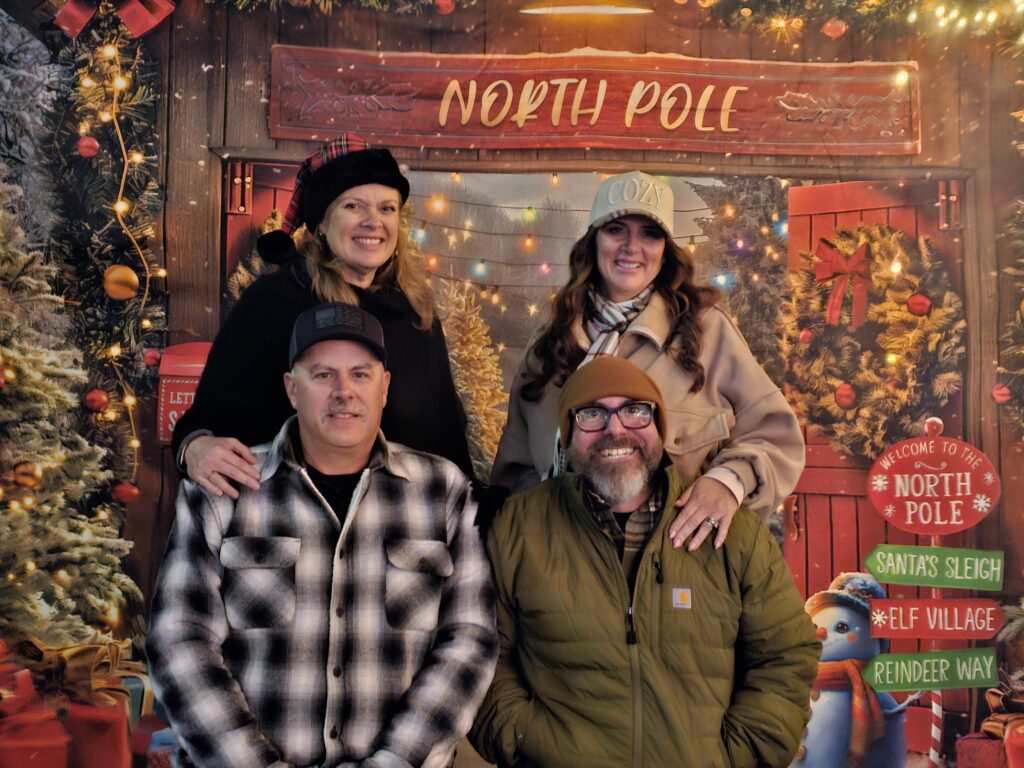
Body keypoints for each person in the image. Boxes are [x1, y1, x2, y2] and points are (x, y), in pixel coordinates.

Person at [148, 303, 498, 768]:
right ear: (292, 389)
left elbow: (469, 641)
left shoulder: (443, 491)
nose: (343, 392)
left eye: (360, 374)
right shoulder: (224, 490)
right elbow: (179, 640)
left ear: (384, 387)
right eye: (323, 375)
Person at [470, 356, 820, 768]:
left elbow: (785, 656)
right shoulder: (519, 526)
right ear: (569, 433)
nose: (615, 429)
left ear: (658, 425)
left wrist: (734, 757)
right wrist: (523, 740)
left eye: (635, 410)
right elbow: (481, 651)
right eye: (591, 414)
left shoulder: (734, 533)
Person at [492, 171, 804, 550]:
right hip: (564, 565)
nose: (631, 247)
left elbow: (776, 437)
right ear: (594, 239)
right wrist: (533, 534)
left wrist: (728, 482)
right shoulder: (550, 341)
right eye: (616, 230)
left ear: (665, 249)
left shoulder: (707, 331)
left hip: (677, 567)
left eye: (649, 234)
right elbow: (515, 473)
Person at [173, 135, 472, 499]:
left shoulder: (414, 312)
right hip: (283, 511)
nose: (373, 222)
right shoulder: (273, 301)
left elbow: (445, 435)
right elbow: (207, 419)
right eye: (353, 206)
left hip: (395, 517)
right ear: (322, 224)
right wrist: (193, 446)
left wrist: (467, 504)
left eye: (387, 208)